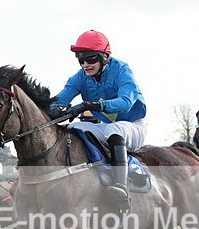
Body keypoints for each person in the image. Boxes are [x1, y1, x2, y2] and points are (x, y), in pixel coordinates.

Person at [48, 30, 147, 209]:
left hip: (133, 127)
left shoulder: (122, 70)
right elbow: (60, 100)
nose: (85, 64)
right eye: (81, 60)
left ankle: (120, 186)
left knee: (114, 129)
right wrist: (52, 109)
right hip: (105, 127)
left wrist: (92, 105)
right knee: (75, 128)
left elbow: (125, 102)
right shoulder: (80, 77)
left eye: (91, 59)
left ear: (104, 57)